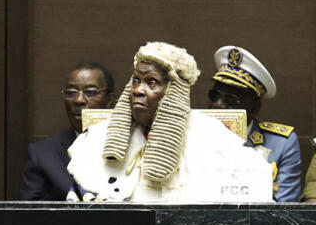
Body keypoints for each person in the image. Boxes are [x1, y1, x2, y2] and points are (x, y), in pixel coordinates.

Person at [66, 42, 272, 202]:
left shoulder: (214, 137)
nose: (138, 90)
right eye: (136, 81)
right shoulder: (97, 136)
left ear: (174, 92)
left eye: (151, 82)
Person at [206, 45, 301, 202]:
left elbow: (284, 210)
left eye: (231, 100)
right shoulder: (192, 137)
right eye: (214, 95)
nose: (218, 105)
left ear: (255, 107)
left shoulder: (281, 143)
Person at [20, 62, 114, 200]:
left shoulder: (132, 147)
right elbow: (30, 210)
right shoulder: (43, 153)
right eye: (71, 92)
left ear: (110, 99)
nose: (78, 100)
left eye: (90, 92)